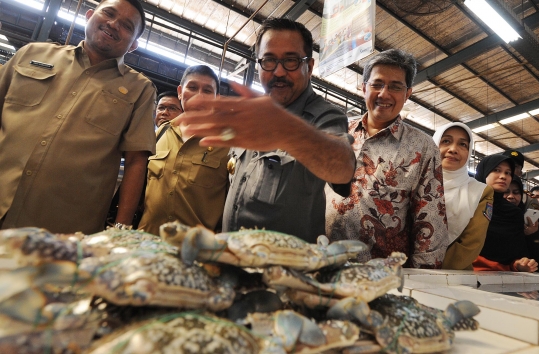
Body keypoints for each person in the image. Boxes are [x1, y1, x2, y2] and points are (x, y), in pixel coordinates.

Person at [172, 18, 356, 243]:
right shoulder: (251, 113)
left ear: (309, 67)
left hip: (287, 271)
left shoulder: (324, 114)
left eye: (291, 60)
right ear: (258, 65)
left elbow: (343, 168)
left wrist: (285, 129)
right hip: (233, 258)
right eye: (268, 60)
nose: (278, 72)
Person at [0, 0, 156, 234]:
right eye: (109, 13)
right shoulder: (32, 53)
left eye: (126, 25)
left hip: (63, 232)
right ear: (90, 15)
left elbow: (135, 161)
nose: (113, 24)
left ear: (133, 45)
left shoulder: (140, 90)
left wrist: (120, 230)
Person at [325, 49, 448, 269]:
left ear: (407, 93)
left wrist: (421, 282)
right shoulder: (337, 132)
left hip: (380, 274)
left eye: (395, 86)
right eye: (377, 84)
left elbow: (431, 222)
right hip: (321, 261)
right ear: (363, 88)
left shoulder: (422, 147)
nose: (384, 94)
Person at [138, 65, 229, 236]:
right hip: (148, 242)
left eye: (207, 91)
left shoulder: (227, 144)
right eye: (192, 88)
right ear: (180, 92)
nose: (199, 96)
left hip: (194, 251)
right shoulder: (162, 132)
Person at [432, 122, 493, 270]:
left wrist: (429, 270)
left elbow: (471, 243)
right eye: (446, 141)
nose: (453, 149)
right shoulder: (415, 181)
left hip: (453, 276)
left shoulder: (480, 191)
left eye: (463, 145)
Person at [472, 154, 538, 272]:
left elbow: (516, 255)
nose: (503, 176)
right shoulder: (467, 204)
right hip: (461, 273)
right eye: (496, 170)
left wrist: (520, 264)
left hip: (500, 279)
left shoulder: (514, 214)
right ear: (483, 172)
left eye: (508, 173)